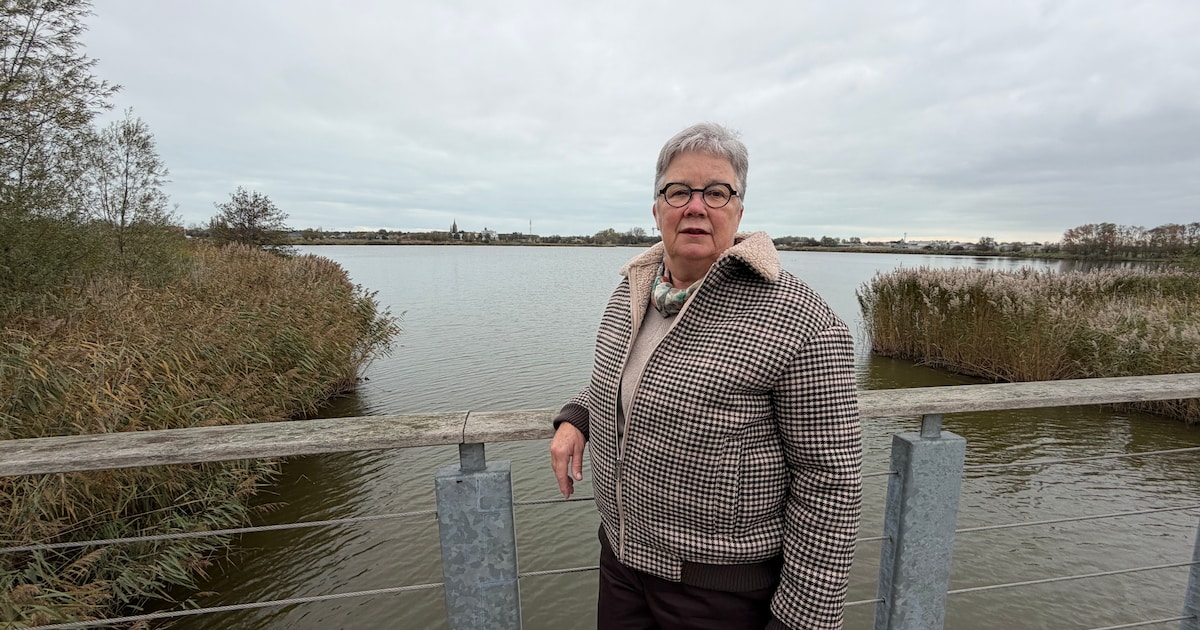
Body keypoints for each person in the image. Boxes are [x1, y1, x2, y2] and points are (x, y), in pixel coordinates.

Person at [549, 122, 863, 630]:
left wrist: (802, 621)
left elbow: (831, 482)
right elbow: (615, 382)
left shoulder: (802, 320)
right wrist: (577, 416)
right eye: (679, 191)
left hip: (721, 591)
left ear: (739, 210)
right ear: (657, 209)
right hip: (622, 561)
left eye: (716, 192)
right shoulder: (630, 294)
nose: (696, 206)